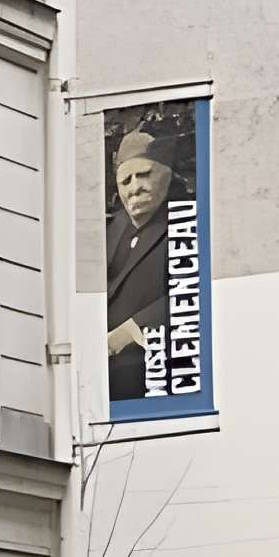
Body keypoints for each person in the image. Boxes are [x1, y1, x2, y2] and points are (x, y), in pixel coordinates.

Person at [105, 125, 177, 403]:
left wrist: (130, 330)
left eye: (145, 175)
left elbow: (194, 291)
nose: (135, 188)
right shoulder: (110, 229)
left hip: (153, 382)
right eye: (126, 181)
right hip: (107, 391)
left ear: (166, 176)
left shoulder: (185, 223)